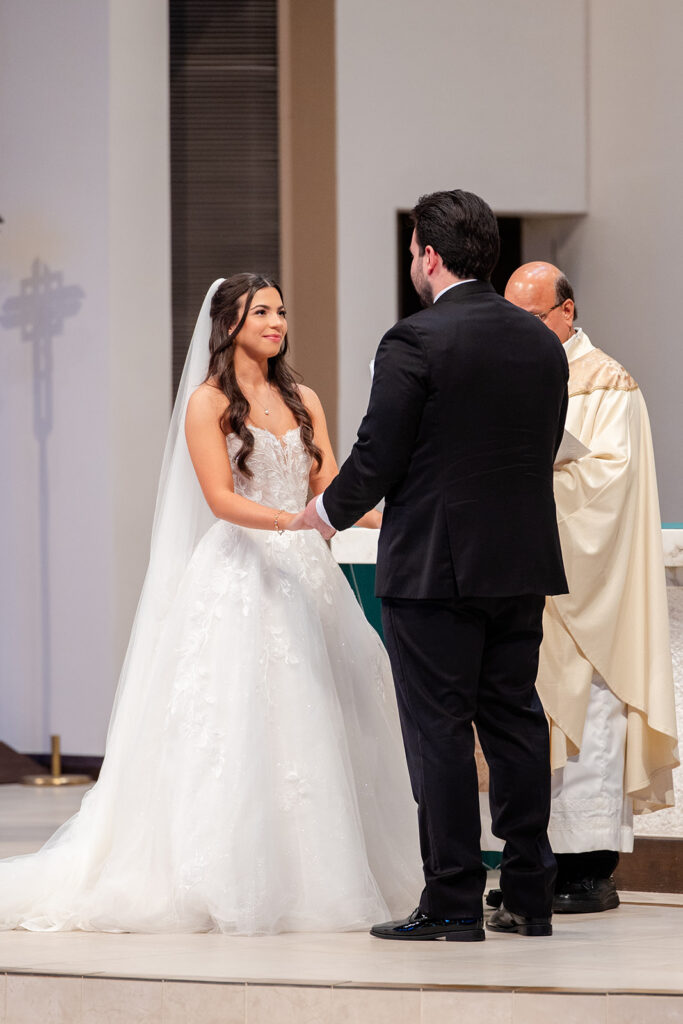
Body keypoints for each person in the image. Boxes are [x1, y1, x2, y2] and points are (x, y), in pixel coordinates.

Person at [0, 273, 422, 934]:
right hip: (243, 571)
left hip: (307, 570)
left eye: (281, 310)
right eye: (261, 312)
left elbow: (331, 486)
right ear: (229, 324)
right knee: (240, 718)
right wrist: (293, 525)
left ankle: (332, 868)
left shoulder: (302, 397)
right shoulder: (207, 403)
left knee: (327, 711)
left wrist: (386, 521)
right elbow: (220, 499)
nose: (276, 322)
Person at [303, 190, 569, 940]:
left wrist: (319, 514)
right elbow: (541, 444)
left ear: (428, 254)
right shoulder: (541, 344)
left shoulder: (413, 340)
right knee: (515, 723)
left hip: (434, 568)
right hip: (519, 560)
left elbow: (377, 456)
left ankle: (453, 899)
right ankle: (527, 892)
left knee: (440, 731)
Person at [498, 262, 679, 913]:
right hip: (525, 582)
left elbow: (610, 485)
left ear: (566, 314)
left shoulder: (607, 384)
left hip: (588, 589)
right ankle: (532, 866)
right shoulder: (514, 377)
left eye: (533, 318)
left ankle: (587, 871)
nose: (521, 331)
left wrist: (530, 468)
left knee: (592, 722)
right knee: (525, 720)